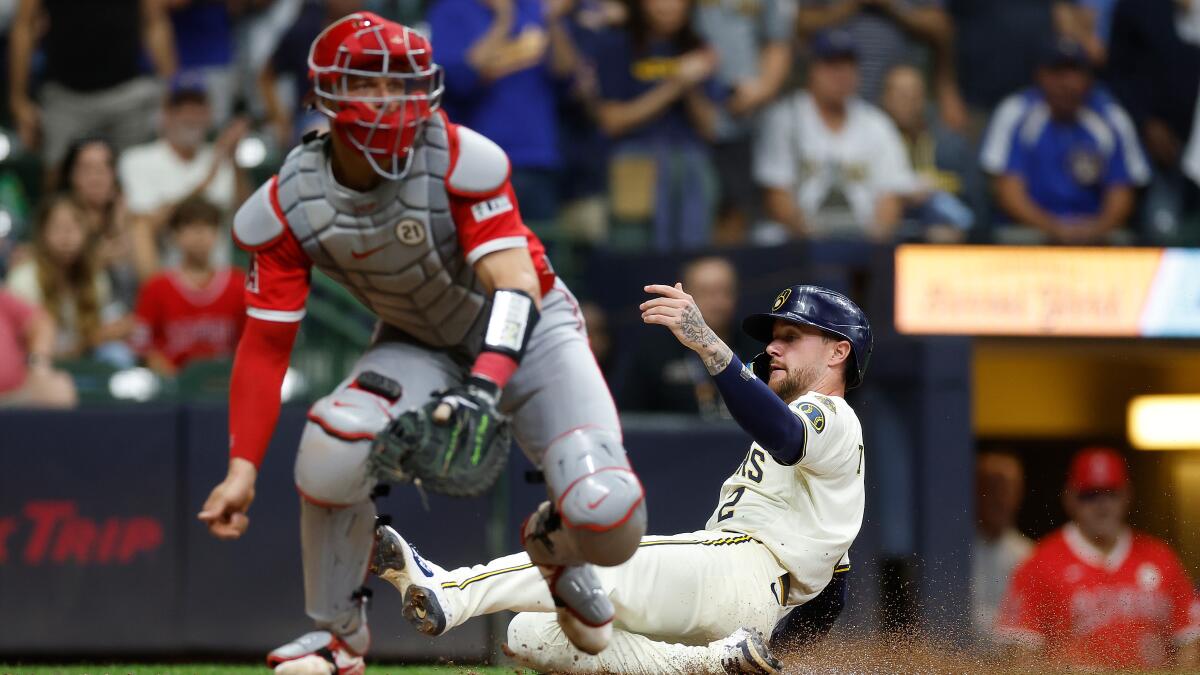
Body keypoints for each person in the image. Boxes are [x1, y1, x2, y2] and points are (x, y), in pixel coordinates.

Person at [194, 13, 647, 675]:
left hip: (532, 327)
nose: (388, 100)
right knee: (330, 444)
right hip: (421, 339)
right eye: (369, 84)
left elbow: (515, 284)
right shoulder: (289, 203)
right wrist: (242, 467)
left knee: (610, 517)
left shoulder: (464, 156)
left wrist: (486, 382)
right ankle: (339, 637)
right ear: (325, 92)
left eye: (399, 85)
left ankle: (555, 542)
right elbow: (265, 346)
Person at [369, 284, 872, 675]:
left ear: (837, 352)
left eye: (791, 337)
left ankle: (446, 591)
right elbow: (832, 597)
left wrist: (710, 346)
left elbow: (783, 432)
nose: (774, 348)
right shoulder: (832, 452)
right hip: (745, 603)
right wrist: (772, 655)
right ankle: (711, 665)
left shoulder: (830, 414)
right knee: (532, 632)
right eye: (773, 338)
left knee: (592, 560)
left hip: (739, 564)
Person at [996, 446, 1200, 670]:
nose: (1102, 505)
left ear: (1127, 495)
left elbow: (1190, 642)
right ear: (1070, 498)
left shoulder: (1161, 558)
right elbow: (1021, 655)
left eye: (1111, 493)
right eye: (1090, 495)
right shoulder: (1040, 563)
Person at [980, 39, 1148, 245]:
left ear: (1089, 79)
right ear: (1040, 76)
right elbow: (1007, 191)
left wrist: (1095, 229)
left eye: (1075, 72)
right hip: (1029, 234)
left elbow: (1122, 193)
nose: (1067, 83)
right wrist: (1053, 228)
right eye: (1057, 72)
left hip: (1096, 236)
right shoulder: (1016, 112)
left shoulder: (1111, 117)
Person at [426, 0, 580, 224]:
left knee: (540, 252)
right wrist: (503, 19)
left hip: (536, 157)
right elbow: (460, 79)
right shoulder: (452, 9)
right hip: (476, 158)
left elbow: (566, 74)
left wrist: (552, 20)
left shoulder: (534, 7)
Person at [754, 29, 917, 241]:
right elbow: (776, 194)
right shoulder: (786, 118)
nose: (842, 74)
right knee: (766, 237)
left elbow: (890, 198)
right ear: (813, 69)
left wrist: (871, 243)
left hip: (863, 239)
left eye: (849, 65)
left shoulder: (877, 124)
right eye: (832, 65)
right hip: (798, 240)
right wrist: (807, 234)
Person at [594, 0, 722, 251]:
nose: (668, 6)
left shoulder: (697, 48)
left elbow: (710, 127)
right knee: (633, 253)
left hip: (689, 162)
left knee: (693, 256)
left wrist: (692, 86)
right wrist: (675, 85)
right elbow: (612, 121)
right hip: (634, 162)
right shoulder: (617, 44)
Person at [7, 0, 176, 174]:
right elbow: (23, 27)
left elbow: (155, 23)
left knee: (135, 176)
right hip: (65, 96)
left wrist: (169, 88)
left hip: (129, 93)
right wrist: (18, 99)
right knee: (57, 180)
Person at [118, 75, 251, 280]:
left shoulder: (220, 157)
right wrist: (206, 181)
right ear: (165, 115)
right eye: (181, 108)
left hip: (218, 282)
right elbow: (144, 227)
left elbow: (248, 219)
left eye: (198, 107)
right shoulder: (137, 160)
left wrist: (233, 160)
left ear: (209, 114)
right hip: (168, 283)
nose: (190, 116)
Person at [693, 0, 795, 243]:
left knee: (746, 212)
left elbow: (778, 42)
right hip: (691, 109)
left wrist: (762, 89)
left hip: (749, 116)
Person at [615, 256, 759, 416]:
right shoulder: (652, 352)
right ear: (684, 296)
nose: (718, 302)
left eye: (725, 291)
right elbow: (631, 419)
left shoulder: (758, 347)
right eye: (706, 292)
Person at [796, 0, 966, 131]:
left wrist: (891, 5)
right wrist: (850, 4)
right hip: (838, 98)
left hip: (901, 100)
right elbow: (798, 22)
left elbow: (940, 25)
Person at [5, 194, 133, 364]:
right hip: (35, 361)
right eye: (58, 228)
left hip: (83, 357)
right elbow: (17, 342)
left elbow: (105, 326)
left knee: (117, 353)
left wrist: (110, 330)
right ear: (43, 232)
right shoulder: (23, 279)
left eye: (74, 228)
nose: (66, 238)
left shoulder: (95, 276)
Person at [130, 197, 245, 377]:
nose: (200, 235)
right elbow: (142, 346)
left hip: (225, 384)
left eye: (208, 227)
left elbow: (250, 342)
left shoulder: (238, 284)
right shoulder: (157, 287)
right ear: (175, 235)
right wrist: (170, 378)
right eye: (191, 226)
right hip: (172, 390)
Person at [879, 64, 981, 241]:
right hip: (888, 240)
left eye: (914, 94)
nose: (908, 101)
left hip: (943, 241)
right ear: (885, 98)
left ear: (924, 99)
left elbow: (975, 204)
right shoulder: (871, 143)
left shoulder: (952, 146)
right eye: (900, 94)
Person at [60, 138, 139, 310]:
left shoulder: (130, 215)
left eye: (104, 168)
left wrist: (120, 225)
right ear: (71, 175)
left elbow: (148, 275)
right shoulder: (58, 217)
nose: (96, 177)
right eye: (87, 169)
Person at [971, 452, 1033, 647]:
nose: (998, 499)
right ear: (976, 490)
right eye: (991, 488)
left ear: (1018, 495)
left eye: (1006, 490)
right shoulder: (952, 554)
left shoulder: (1030, 556)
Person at [0, 288, 77, 408]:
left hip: (15, 397)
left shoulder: (3, 299)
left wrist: (38, 367)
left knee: (59, 391)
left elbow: (40, 324)